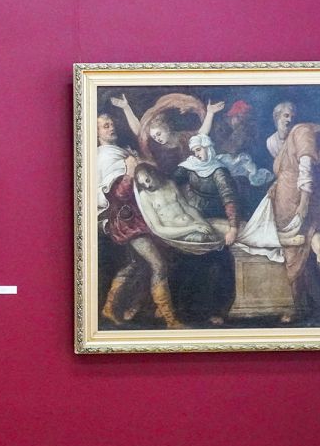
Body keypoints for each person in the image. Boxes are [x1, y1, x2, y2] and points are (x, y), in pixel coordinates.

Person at [269, 122, 320, 321]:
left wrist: (318, 218)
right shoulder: (303, 164)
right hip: (292, 213)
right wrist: (301, 205)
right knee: (291, 254)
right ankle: (293, 303)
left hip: (313, 220)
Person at [100, 162, 184, 328]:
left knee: (136, 265)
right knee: (158, 265)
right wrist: (131, 172)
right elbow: (120, 194)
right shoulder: (117, 161)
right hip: (132, 226)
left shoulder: (133, 158)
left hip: (145, 223)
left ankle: (110, 308)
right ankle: (170, 319)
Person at [172, 135, 240, 324]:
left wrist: (233, 227)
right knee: (187, 264)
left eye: (199, 150)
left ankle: (218, 311)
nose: (197, 154)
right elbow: (169, 183)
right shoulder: (189, 166)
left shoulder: (219, 171)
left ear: (208, 148)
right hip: (194, 222)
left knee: (219, 266)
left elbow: (229, 199)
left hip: (216, 224)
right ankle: (184, 311)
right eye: (194, 151)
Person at [109, 93, 224, 175]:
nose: (157, 138)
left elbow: (201, 133)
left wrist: (210, 113)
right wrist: (126, 107)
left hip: (186, 176)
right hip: (163, 179)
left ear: (167, 128)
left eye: (158, 134)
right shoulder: (155, 145)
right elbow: (139, 131)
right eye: (154, 136)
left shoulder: (183, 137)